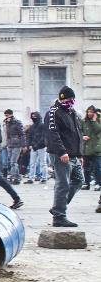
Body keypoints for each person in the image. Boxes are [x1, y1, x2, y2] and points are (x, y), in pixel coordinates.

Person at [45, 86, 84, 226]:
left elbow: (77, 133)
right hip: (60, 154)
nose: (72, 101)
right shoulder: (53, 112)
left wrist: (79, 154)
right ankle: (59, 217)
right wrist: (62, 152)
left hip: (73, 154)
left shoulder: (71, 112)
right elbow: (53, 134)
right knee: (63, 184)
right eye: (69, 99)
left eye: (72, 99)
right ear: (62, 98)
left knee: (79, 180)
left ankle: (57, 207)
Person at [0, 109, 26, 184]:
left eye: (7, 115)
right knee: (12, 162)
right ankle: (16, 177)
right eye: (5, 115)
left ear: (11, 114)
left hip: (17, 145)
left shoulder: (17, 122)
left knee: (13, 162)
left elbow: (22, 134)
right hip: (9, 144)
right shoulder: (6, 123)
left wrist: (24, 145)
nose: (6, 117)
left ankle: (14, 177)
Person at [24, 111, 48, 184]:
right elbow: (29, 137)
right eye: (32, 117)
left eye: (34, 117)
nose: (33, 118)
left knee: (42, 163)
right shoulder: (32, 127)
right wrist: (29, 145)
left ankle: (44, 178)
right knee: (32, 163)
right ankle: (31, 178)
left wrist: (33, 145)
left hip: (40, 147)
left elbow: (43, 137)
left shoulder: (42, 126)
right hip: (35, 147)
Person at [83, 106, 101, 190]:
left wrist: (94, 120)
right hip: (86, 148)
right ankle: (86, 183)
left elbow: (98, 130)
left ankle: (98, 184)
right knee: (86, 168)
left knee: (97, 168)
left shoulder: (98, 121)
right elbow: (79, 131)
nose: (89, 113)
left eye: (91, 112)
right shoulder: (84, 121)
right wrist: (83, 136)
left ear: (95, 113)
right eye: (88, 112)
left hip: (96, 149)